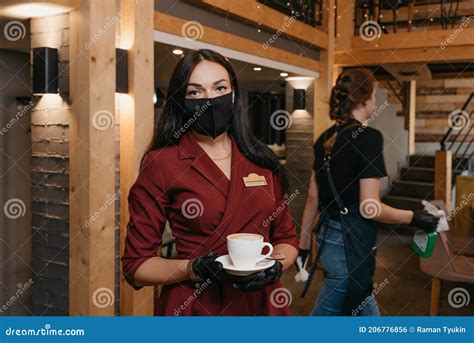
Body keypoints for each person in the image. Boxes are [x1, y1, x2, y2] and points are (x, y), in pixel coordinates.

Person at [121, 49, 298, 316]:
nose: (209, 100)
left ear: (234, 94)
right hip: (195, 306)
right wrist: (194, 268)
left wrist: (275, 267)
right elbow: (136, 265)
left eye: (219, 88)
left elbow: (286, 239)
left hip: (262, 304)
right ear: (181, 100)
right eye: (195, 92)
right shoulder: (163, 163)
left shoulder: (262, 160)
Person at [298, 68, 439, 316]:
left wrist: (303, 246)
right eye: (374, 96)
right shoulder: (369, 138)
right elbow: (369, 207)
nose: (376, 101)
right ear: (364, 100)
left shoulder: (325, 138)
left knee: (363, 307)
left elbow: (312, 197)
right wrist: (414, 217)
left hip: (327, 239)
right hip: (349, 246)